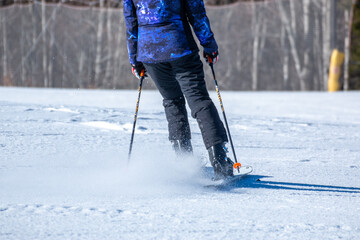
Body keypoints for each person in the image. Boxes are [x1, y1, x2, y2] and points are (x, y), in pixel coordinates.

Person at [123, 0, 234, 179]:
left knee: (172, 101)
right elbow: (197, 14)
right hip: (179, 47)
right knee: (198, 100)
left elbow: (131, 23)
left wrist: (135, 59)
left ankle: (185, 164)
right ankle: (220, 162)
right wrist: (209, 46)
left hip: (149, 52)